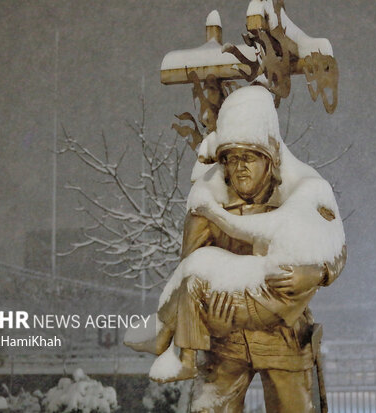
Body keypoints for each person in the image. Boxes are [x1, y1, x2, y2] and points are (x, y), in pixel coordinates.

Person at [127, 86, 346, 413]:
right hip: (224, 343)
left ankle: (160, 333)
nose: (239, 167)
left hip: (283, 338)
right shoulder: (210, 197)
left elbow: (336, 247)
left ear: (269, 159)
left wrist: (318, 272)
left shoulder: (302, 190)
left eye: (249, 157)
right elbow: (190, 266)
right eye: (231, 159)